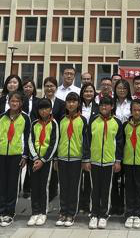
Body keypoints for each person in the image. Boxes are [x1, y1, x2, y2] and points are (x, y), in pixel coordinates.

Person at [84, 96, 124, 230]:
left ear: (112, 106)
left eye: (107, 105)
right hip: (94, 161)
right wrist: (87, 159)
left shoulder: (117, 122)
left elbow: (119, 143)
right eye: (101, 105)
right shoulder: (93, 120)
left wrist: (117, 161)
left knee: (106, 189)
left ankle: (103, 215)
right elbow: (87, 140)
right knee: (94, 189)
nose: (104, 107)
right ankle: (94, 214)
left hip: (109, 162)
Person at [0, 92, 31, 227]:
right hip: (1, 154)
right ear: (8, 102)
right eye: (12, 101)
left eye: (17, 101)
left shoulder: (25, 118)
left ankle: (9, 213)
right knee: (2, 184)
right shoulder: (1, 117)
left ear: (21, 103)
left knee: (13, 185)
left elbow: (27, 137)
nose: (14, 103)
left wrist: (25, 155)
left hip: (16, 155)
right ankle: (0, 212)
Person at [55, 93, 88, 227]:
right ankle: (63, 212)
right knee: (63, 187)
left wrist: (85, 158)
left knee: (74, 187)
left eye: (74, 101)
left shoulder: (83, 120)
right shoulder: (61, 120)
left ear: (78, 104)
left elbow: (85, 141)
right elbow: (57, 139)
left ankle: (71, 213)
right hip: (62, 157)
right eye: (68, 101)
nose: (71, 104)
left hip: (76, 158)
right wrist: (56, 158)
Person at [27, 98, 59, 227]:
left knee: (44, 186)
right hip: (34, 160)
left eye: (46, 108)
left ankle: (43, 212)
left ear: (50, 109)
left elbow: (54, 143)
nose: (44, 111)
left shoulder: (54, 124)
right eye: (41, 109)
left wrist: (43, 159)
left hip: (46, 161)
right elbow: (30, 140)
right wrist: (35, 158)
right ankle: (34, 212)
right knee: (34, 186)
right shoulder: (34, 124)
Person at [122, 99, 140, 229]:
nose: (137, 112)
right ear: (131, 111)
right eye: (134, 110)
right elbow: (122, 143)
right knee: (129, 188)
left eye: (139, 110)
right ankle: (129, 213)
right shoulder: (125, 125)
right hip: (128, 162)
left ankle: (139, 214)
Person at [43, 76, 66, 205]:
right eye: (47, 86)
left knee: (54, 169)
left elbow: (62, 121)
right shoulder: (39, 102)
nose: (49, 88)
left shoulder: (61, 104)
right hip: (41, 140)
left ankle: (52, 194)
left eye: (52, 86)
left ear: (56, 88)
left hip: (56, 139)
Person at [111, 79, 132, 215]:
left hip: (129, 140)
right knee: (113, 175)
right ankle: (115, 204)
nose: (122, 90)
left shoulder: (132, 103)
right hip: (113, 141)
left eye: (124, 88)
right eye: (119, 88)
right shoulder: (111, 103)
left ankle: (125, 204)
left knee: (127, 176)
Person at [78, 83, 98, 213]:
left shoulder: (98, 107)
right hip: (78, 142)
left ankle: (88, 203)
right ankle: (80, 203)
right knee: (78, 177)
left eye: (91, 91)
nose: (88, 93)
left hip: (92, 144)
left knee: (90, 176)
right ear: (82, 93)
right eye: (86, 91)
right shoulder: (76, 106)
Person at [22, 78, 40, 198]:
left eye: (30, 86)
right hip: (21, 132)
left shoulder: (38, 101)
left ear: (34, 88)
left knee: (32, 161)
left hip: (34, 133)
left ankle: (28, 187)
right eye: (26, 86)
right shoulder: (19, 100)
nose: (28, 88)